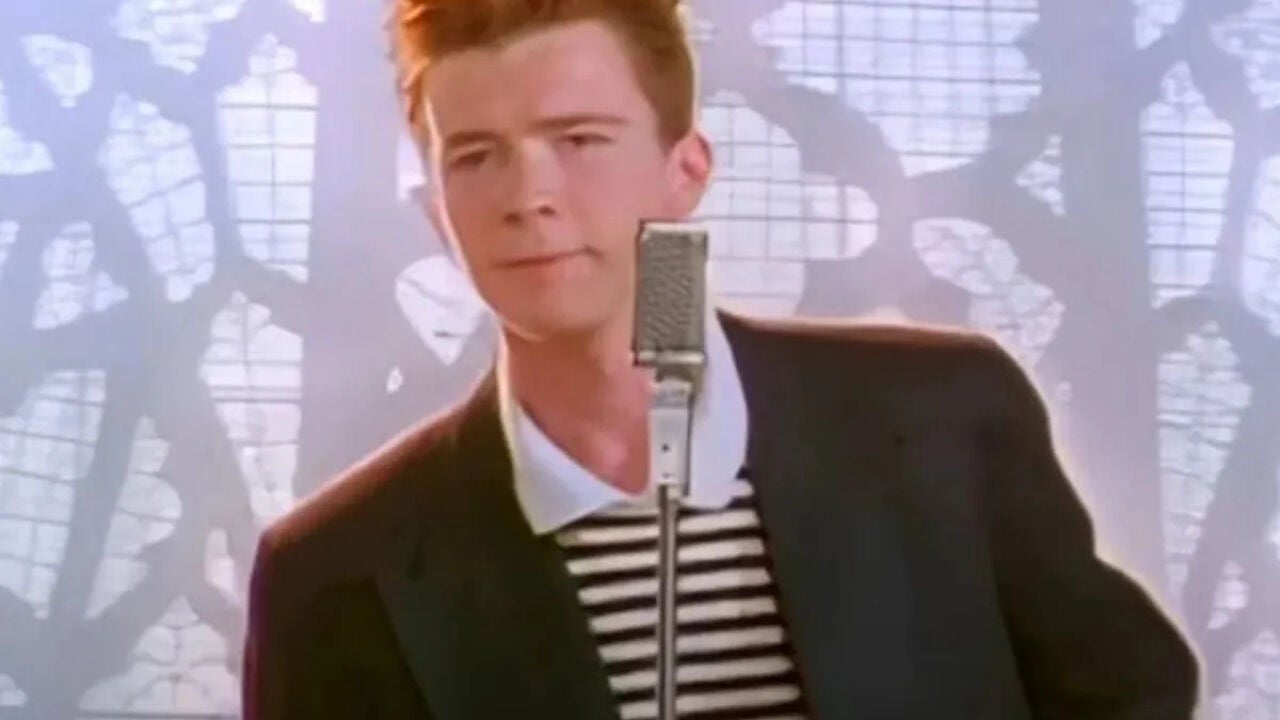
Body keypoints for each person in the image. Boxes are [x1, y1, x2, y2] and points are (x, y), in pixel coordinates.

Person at [241, 1, 1199, 718]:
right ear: (435, 214)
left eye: (578, 140)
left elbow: (1131, 695)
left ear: (686, 171)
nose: (528, 196)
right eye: (476, 156)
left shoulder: (947, 416)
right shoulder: (334, 574)